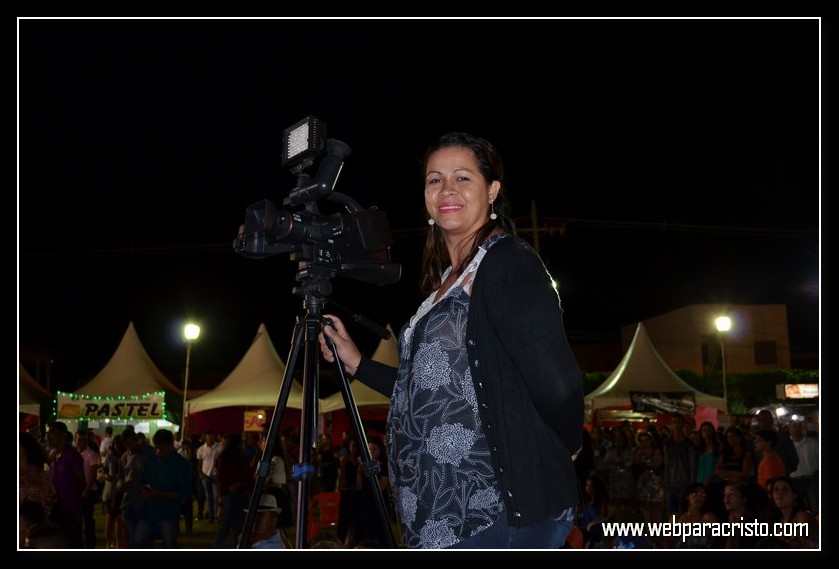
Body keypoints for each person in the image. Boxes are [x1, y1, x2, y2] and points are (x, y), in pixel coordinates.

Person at [319, 131, 584, 549]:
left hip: (494, 512)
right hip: (439, 514)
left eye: (463, 178)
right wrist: (357, 364)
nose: (447, 189)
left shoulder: (506, 263)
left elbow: (558, 381)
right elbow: (431, 391)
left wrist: (566, 444)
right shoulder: (448, 280)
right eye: (435, 179)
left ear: (492, 190)